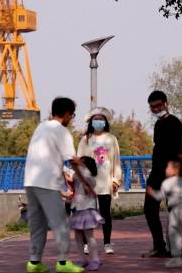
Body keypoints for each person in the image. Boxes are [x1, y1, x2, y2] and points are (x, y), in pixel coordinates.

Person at [24, 97, 85, 273]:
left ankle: (34, 263)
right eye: (72, 115)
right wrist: (86, 180)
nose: (71, 118)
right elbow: (72, 160)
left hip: (31, 181)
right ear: (66, 114)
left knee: (37, 224)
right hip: (47, 183)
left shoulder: (41, 127)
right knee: (60, 223)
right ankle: (64, 262)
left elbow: (51, 157)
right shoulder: (62, 131)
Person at [143, 90, 182, 258]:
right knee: (149, 209)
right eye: (152, 107)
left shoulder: (175, 123)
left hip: (172, 173)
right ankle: (159, 246)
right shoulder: (158, 124)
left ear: (166, 103)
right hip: (156, 174)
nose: (156, 109)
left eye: (158, 105)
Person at [76, 107, 122, 255]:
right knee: (86, 213)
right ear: (91, 121)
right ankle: (86, 243)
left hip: (105, 182)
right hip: (88, 183)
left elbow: (116, 161)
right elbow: (79, 160)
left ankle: (107, 242)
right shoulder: (85, 139)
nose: (98, 121)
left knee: (105, 213)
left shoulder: (111, 139)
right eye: (95, 119)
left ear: (105, 122)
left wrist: (116, 179)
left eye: (101, 119)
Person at [147, 158, 182, 268]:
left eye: (167, 167)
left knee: (174, 235)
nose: (165, 169)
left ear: (175, 170)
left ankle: (176, 258)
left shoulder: (167, 183)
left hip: (176, 211)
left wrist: (151, 192)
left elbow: (160, 196)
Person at [70, 156, 105, 271]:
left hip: (87, 208)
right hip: (77, 207)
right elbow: (72, 173)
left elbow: (80, 172)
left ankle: (95, 260)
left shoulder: (89, 177)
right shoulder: (78, 175)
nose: (78, 163)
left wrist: (76, 165)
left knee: (89, 236)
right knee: (78, 236)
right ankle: (82, 259)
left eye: (81, 162)